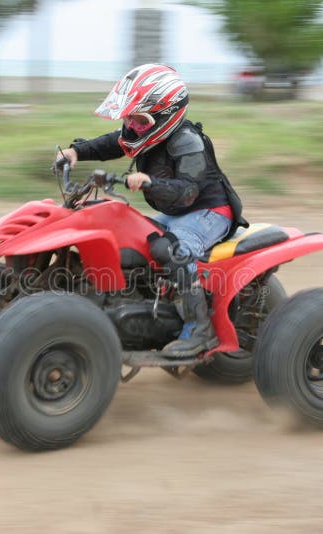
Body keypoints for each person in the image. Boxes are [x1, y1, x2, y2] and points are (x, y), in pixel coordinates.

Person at [58, 64, 246, 358]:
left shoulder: (187, 141)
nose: (132, 126)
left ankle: (200, 330)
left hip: (209, 211)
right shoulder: (142, 132)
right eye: (129, 119)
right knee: (131, 241)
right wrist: (76, 152)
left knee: (172, 249)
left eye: (139, 120)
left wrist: (150, 182)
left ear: (166, 115)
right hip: (176, 209)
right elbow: (114, 142)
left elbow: (188, 190)